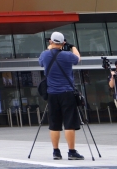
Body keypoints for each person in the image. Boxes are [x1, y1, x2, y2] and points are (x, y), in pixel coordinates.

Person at [39, 31, 83, 161]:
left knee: (54, 124)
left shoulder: (44, 55)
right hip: (67, 93)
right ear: (63, 43)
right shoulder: (67, 55)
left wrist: (50, 47)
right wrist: (73, 47)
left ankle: (56, 152)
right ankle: (72, 152)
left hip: (52, 94)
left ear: (50, 41)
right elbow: (78, 59)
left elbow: (41, 63)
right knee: (69, 123)